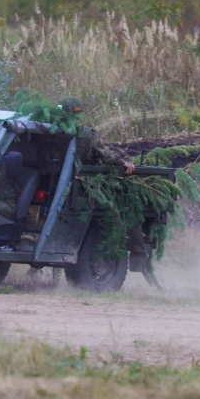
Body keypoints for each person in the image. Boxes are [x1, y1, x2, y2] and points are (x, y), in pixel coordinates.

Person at [57, 97, 146, 271]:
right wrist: (123, 164)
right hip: (85, 184)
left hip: (55, 183)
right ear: (77, 113)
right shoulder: (84, 133)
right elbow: (106, 155)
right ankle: (138, 256)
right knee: (126, 207)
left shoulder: (48, 131)